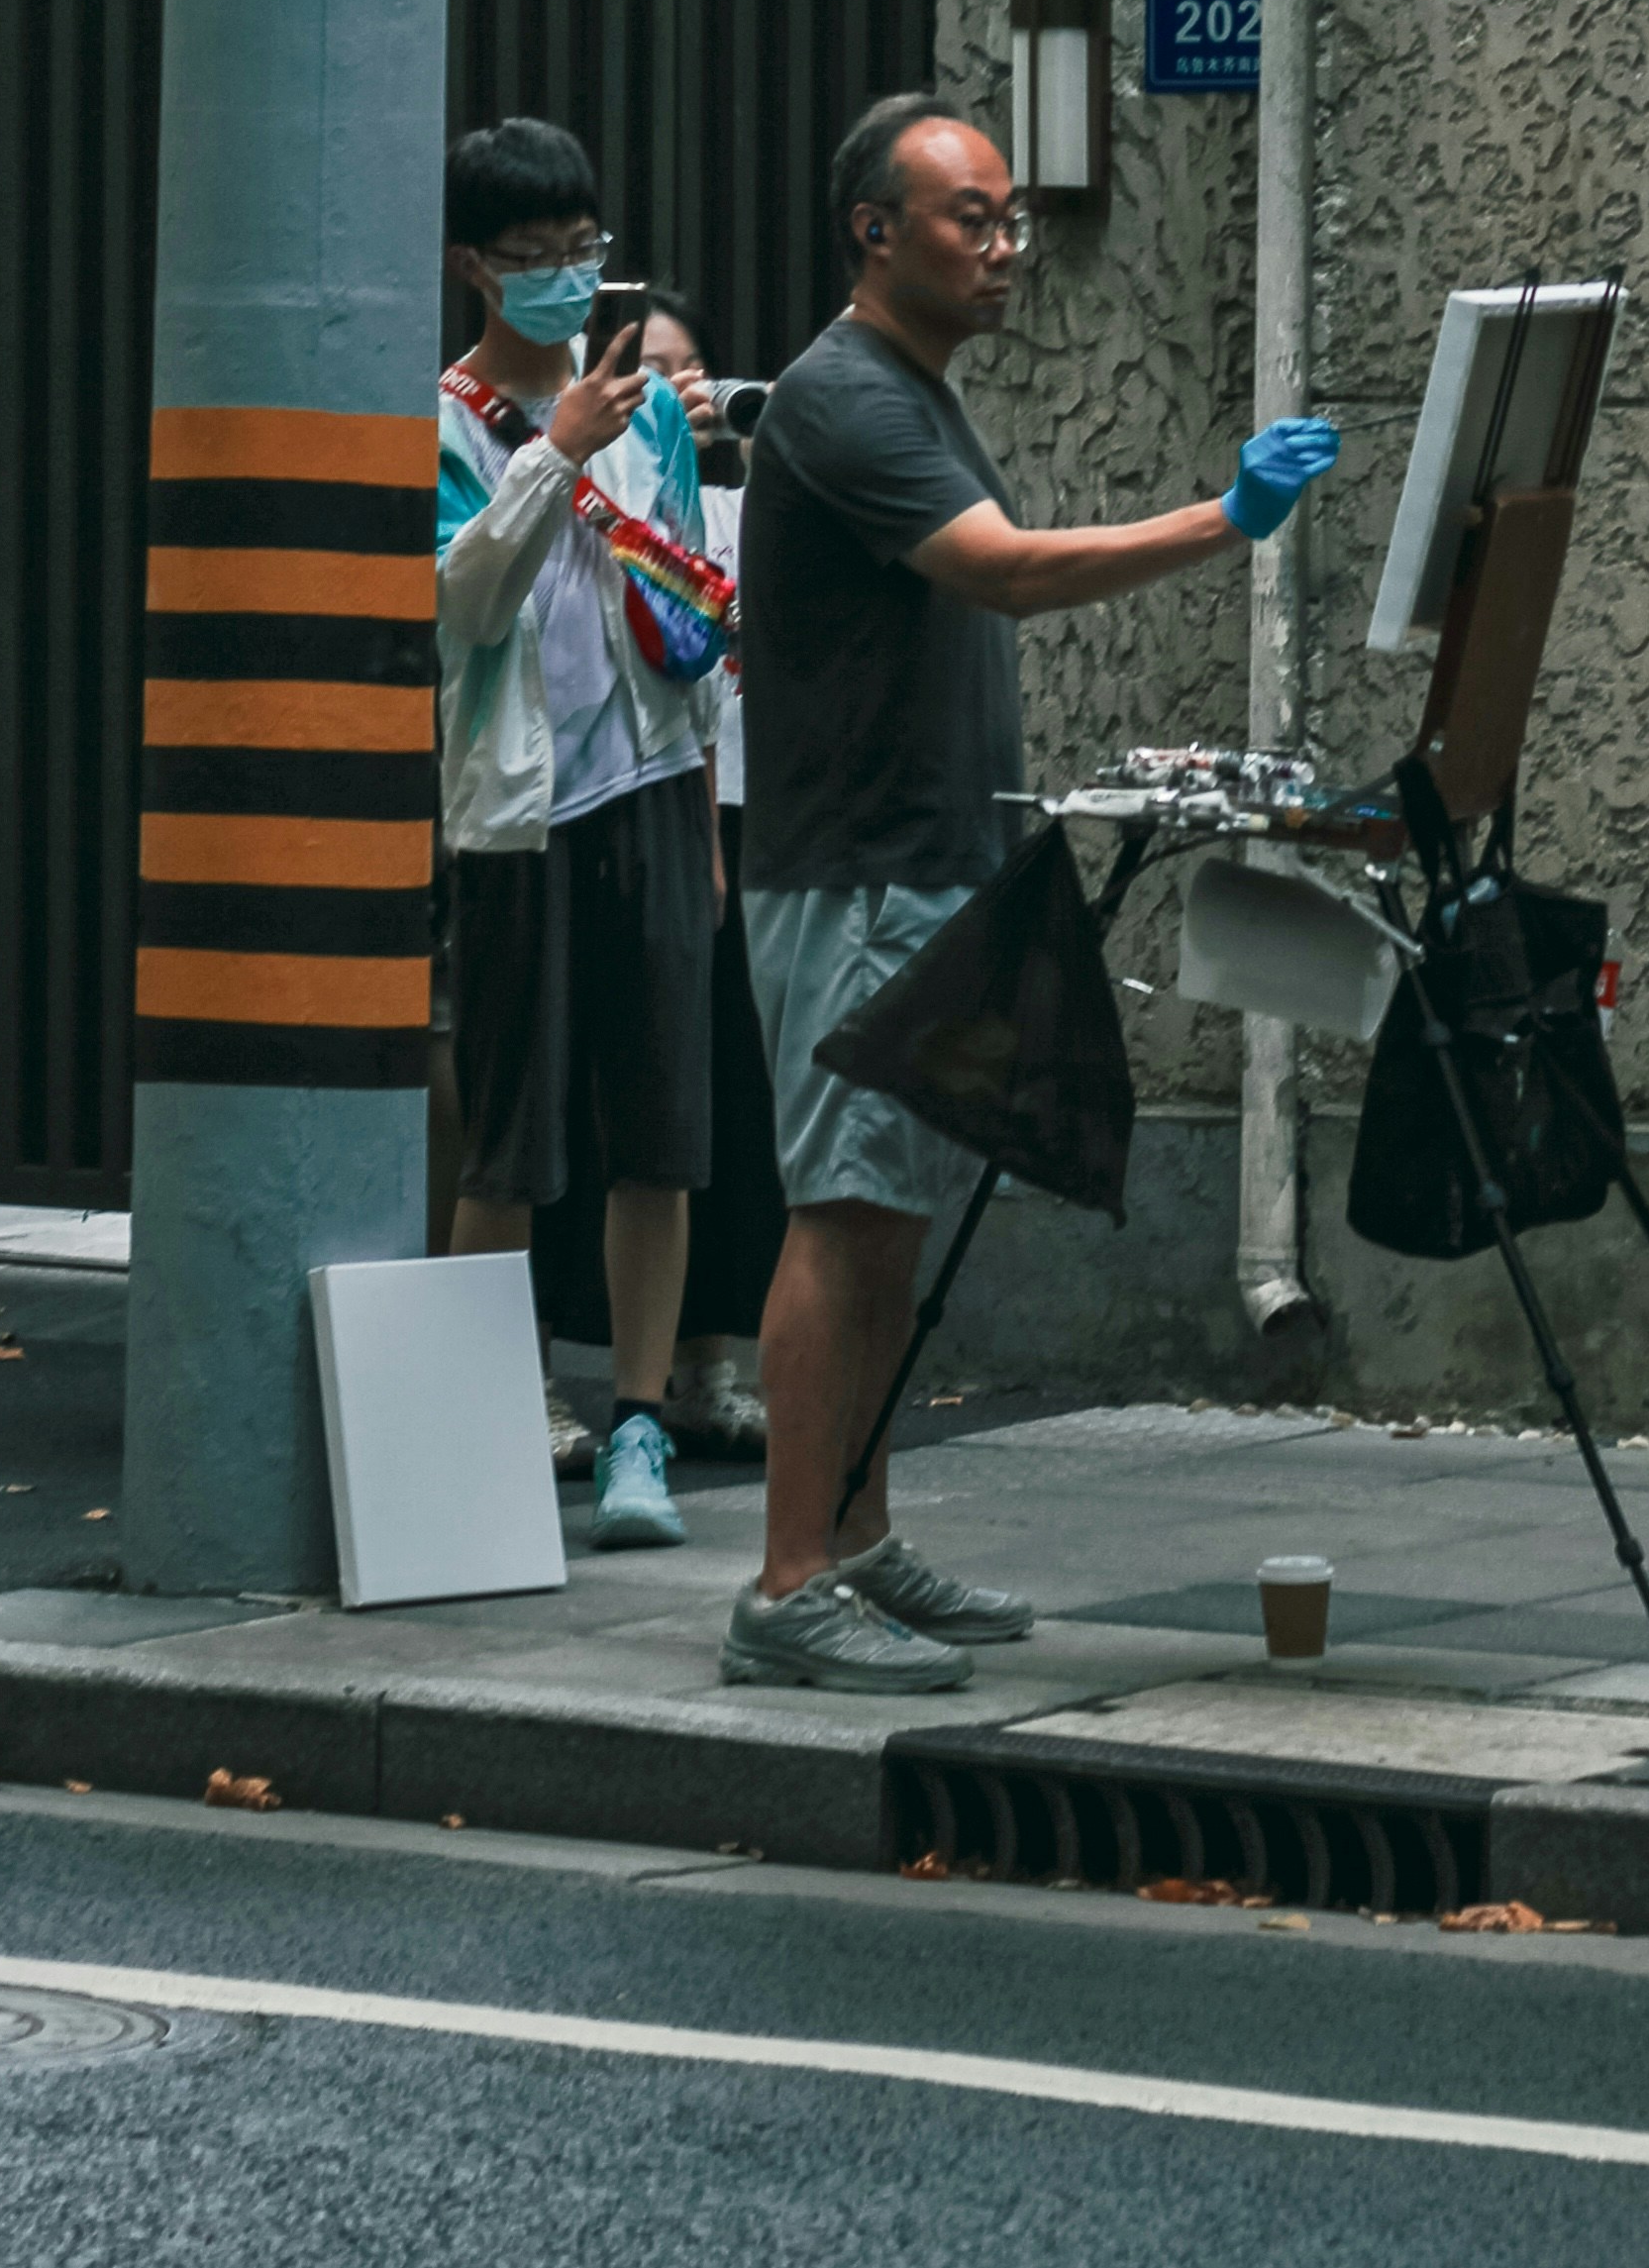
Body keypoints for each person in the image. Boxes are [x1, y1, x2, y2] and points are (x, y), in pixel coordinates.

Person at [723, 90, 1339, 1693]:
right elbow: (1002, 568)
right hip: (856, 873)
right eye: (970, 218)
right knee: (842, 1211)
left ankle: (856, 1542)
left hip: (922, 864)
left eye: (1009, 219)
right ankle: (789, 1582)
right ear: (876, 232)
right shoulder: (845, 396)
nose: (1005, 246)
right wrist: (1230, 518)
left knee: (889, 1222)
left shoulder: (912, 390)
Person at [433, 118, 730, 1551]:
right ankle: (472, 1438)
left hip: (654, 791)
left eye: (579, 253)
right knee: (506, 1140)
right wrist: (551, 456)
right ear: (469, 267)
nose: (563, 281)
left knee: (659, 1133)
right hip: (516, 816)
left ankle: (638, 1426)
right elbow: (458, 607)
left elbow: (689, 612)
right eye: (531, 259)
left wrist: (711, 798)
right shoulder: (438, 420)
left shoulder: (657, 412)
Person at [530, 290, 782, 1458]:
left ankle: (703, 1365)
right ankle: (536, 1371)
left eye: (690, 373)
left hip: (716, 822)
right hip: (605, 810)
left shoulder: (731, 505)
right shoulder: (586, 482)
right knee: (561, 1114)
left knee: (714, 1112)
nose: (669, 391)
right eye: (648, 371)